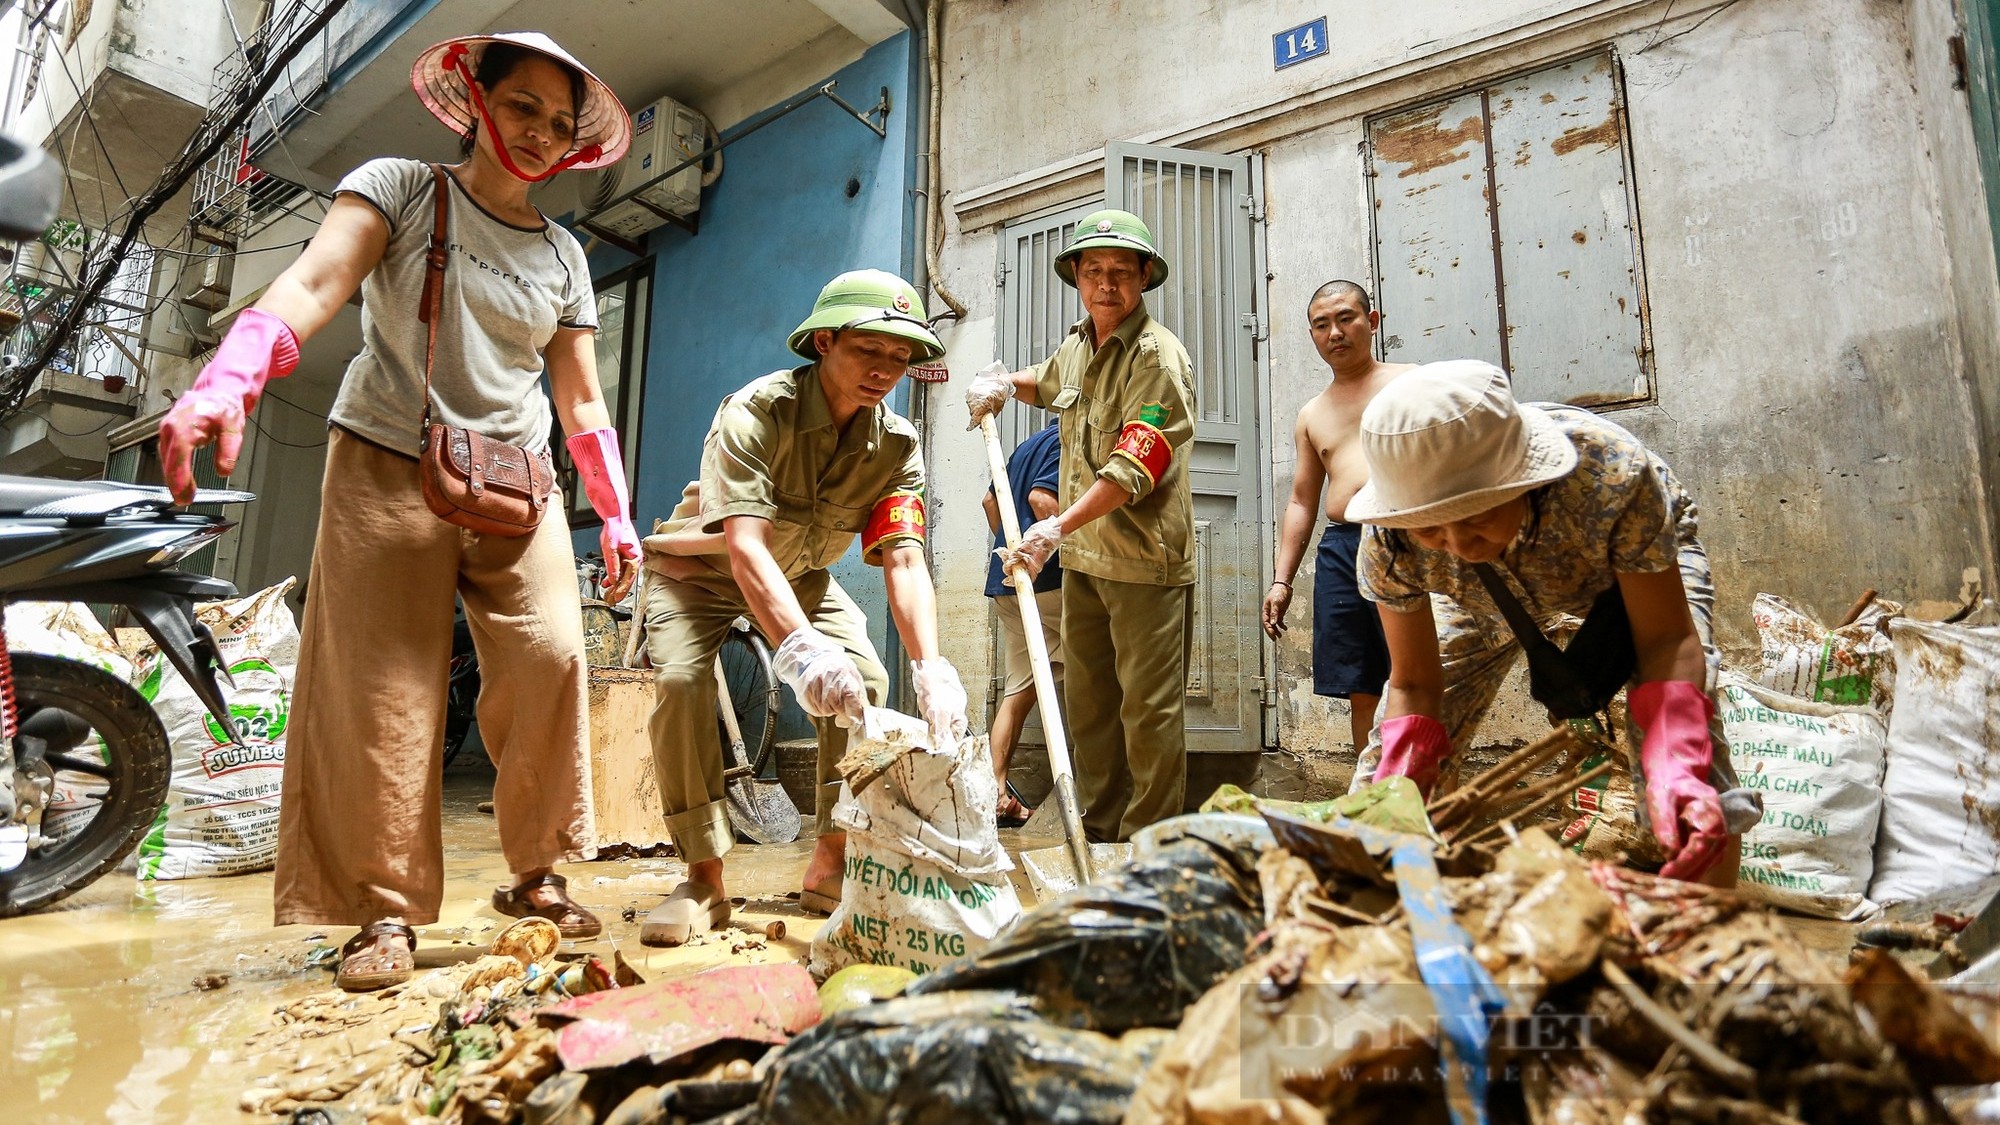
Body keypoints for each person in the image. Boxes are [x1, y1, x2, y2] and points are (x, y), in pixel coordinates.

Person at [156, 33, 643, 990]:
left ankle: (534, 873)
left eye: (560, 122)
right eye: (522, 108)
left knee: (550, 654)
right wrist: (233, 376)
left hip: (518, 482)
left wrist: (614, 511)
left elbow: (582, 400)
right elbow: (314, 282)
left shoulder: (565, 256)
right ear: (475, 98)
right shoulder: (403, 187)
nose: (542, 133)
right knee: (385, 688)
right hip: (387, 462)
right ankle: (379, 911)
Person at [637, 269, 969, 946]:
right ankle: (703, 878)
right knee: (680, 683)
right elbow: (745, 547)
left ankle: (831, 859)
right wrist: (804, 650)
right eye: (868, 350)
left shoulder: (898, 447)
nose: (885, 369)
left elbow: (903, 558)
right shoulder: (756, 413)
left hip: (799, 576)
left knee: (871, 681)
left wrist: (931, 665)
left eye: (900, 357)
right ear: (824, 341)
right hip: (698, 572)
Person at [1347, 361, 1762, 883]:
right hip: (1472, 597)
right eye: (1431, 529)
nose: (1456, 545)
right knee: (1386, 776)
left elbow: (1666, 639)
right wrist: (1401, 786)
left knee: (1692, 771)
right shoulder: (1390, 537)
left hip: (1623, 573)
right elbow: (1415, 682)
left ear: (1524, 482)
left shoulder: (1612, 479)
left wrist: (1676, 763)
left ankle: (1707, 928)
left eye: (1477, 517)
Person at [964, 210, 1196, 844]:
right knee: (1089, 705)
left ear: (1145, 277)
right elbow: (1048, 383)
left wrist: (1054, 527)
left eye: (1122, 272)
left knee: (1148, 710)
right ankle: (1096, 829)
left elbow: (1132, 467)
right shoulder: (1078, 345)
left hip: (1144, 561)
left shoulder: (1158, 359)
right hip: (1086, 562)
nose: (1107, 285)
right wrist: (1002, 385)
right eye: (1094, 271)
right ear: (1076, 278)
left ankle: (1151, 841)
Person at [1262, 281, 1413, 752]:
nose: (1336, 332)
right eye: (1322, 325)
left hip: (1409, 537)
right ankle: (1373, 792)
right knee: (1360, 679)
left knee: (1416, 669)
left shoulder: (1412, 382)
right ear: (1311, 335)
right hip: (1343, 547)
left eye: (1346, 318)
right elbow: (1302, 501)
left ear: (1373, 321)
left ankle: (1428, 795)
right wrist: (1281, 580)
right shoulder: (1312, 414)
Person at [982, 417, 1064, 826]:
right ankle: (1092, 794)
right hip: (1049, 581)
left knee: (1020, 687)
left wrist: (1009, 547)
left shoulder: (1024, 446)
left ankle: (995, 792)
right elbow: (1042, 501)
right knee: (1100, 676)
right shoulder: (1068, 439)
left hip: (1010, 583)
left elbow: (990, 503)